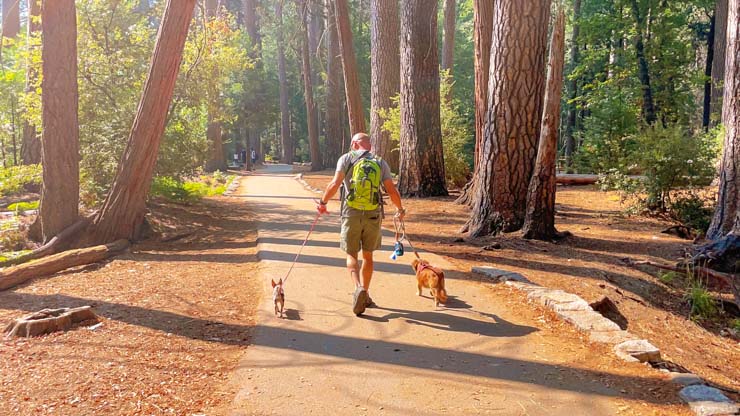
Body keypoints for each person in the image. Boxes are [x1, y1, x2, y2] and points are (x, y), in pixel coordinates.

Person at [317, 132, 405, 316]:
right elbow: (391, 189)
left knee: (351, 254)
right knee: (368, 255)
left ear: (355, 144)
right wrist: (400, 209)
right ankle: (365, 291)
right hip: (373, 214)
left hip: (351, 212)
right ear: (369, 146)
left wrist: (323, 203)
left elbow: (335, 183)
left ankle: (358, 288)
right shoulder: (380, 162)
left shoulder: (346, 159)